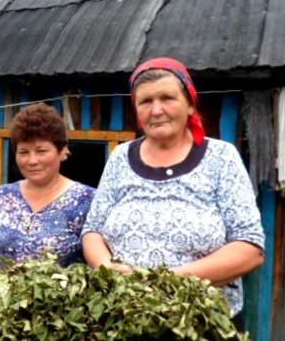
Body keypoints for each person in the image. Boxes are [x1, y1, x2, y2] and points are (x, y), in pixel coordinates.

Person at [81, 57, 265, 328]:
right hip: (127, 318)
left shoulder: (220, 158)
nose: (156, 110)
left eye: (167, 98)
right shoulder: (121, 157)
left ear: (190, 103)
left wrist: (168, 280)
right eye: (145, 101)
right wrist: (107, 268)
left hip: (203, 322)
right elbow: (93, 230)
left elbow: (250, 247)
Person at [0, 103, 94, 267]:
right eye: (24, 152)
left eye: (41, 151)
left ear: (61, 151)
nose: (32, 161)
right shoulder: (2, 196)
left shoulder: (86, 201)